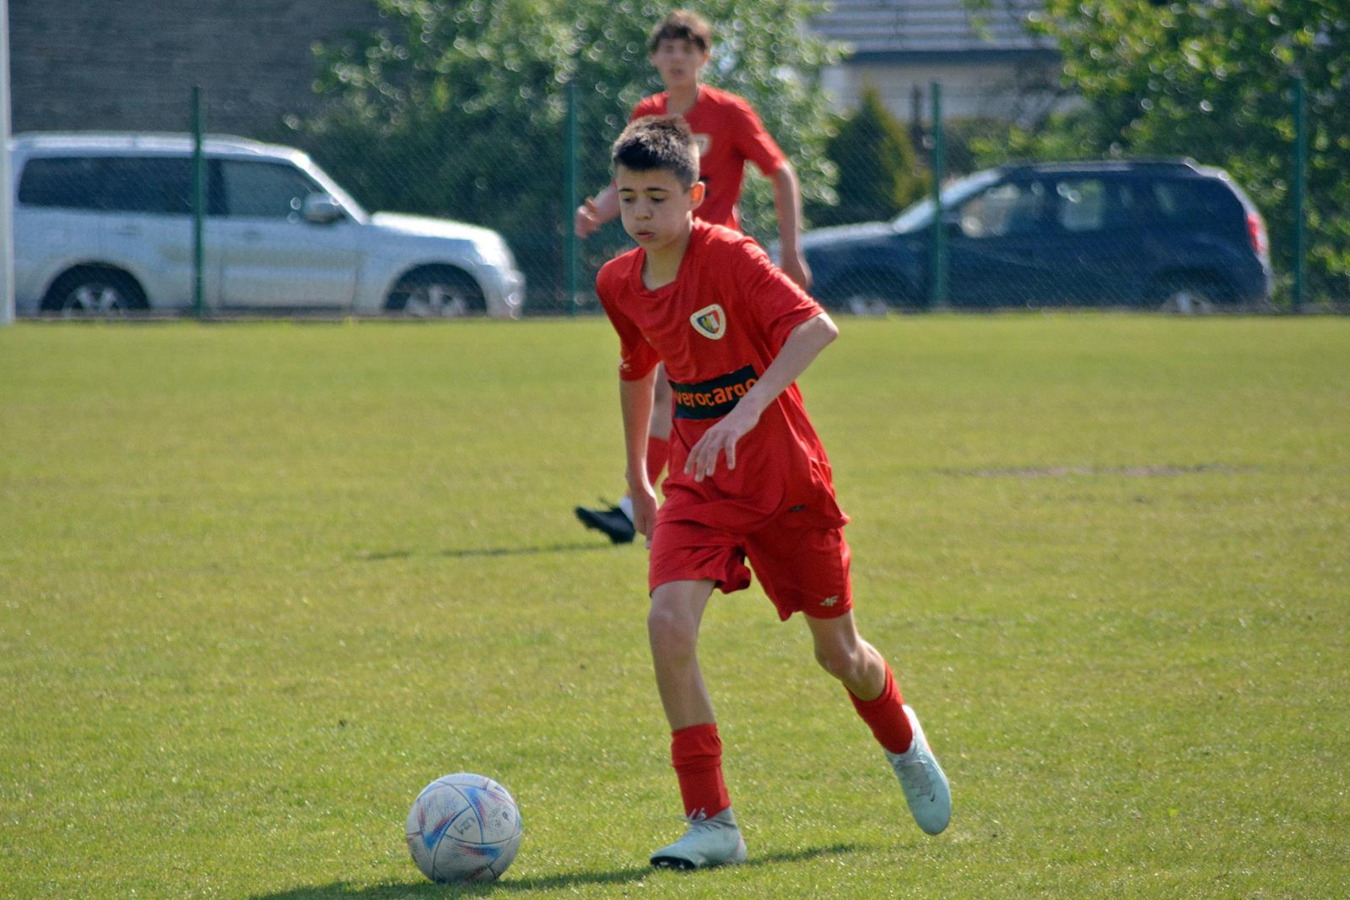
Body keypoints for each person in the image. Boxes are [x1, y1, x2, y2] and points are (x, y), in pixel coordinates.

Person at [595, 114, 951, 870]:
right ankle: (712, 821)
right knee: (667, 625)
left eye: (657, 197)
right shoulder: (619, 281)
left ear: (695, 196)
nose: (641, 214)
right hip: (698, 482)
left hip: (785, 480)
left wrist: (747, 409)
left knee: (840, 654)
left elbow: (816, 328)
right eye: (628, 198)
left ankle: (903, 742)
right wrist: (637, 479)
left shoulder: (730, 256)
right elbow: (636, 371)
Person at [574, 9, 811, 545]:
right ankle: (648, 501)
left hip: (719, 271)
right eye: (668, 48)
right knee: (671, 387)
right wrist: (600, 210)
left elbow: (781, 172)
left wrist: (791, 250)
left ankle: (684, 499)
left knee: (702, 384)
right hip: (668, 269)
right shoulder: (648, 112)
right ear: (655, 57)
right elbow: (629, 180)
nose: (677, 58)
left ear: (705, 57)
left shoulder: (729, 112)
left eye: (688, 49)